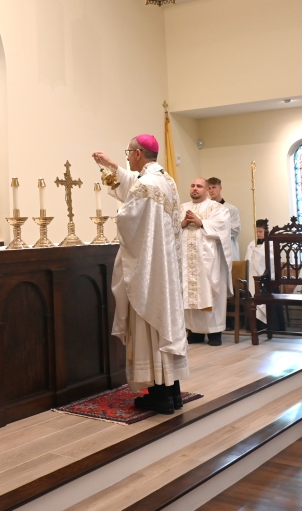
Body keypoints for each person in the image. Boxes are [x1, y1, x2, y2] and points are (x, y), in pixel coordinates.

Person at [92, 134, 187, 414]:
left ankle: (159, 397)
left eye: (128, 152)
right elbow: (135, 185)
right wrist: (112, 166)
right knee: (164, 326)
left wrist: (119, 214)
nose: (127, 157)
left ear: (137, 153)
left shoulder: (147, 185)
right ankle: (172, 393)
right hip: (164, 268)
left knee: (149, 324)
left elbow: (128, 217)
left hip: (148, 269)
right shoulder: (165, 180)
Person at [181, 178, 233, 346]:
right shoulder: (182, 208)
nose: (195, 188)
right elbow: (169, 229)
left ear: (207, 190)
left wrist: (201, 222)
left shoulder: (218, 208)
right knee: (189, 293)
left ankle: (214, 333)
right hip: (187, 261)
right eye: (192, 185)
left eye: (199, 186)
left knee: (210, 293)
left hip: (209, 261)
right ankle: (194, 332)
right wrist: (182, 223)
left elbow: (223, 229)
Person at [244, 219, 285, 331]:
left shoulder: (271, 244)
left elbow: (272, 260)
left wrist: (258, 253)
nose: (258, 234)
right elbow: (247, 260)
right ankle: (256, 326)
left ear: (266, 230)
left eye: (260, 231)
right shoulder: (252, 244)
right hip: (253, 277)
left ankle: (273, 326)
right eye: (256, 231)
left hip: (267, 279)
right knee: (254, 297)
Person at [206, 177, 241, 261]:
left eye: (214, 187)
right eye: (209, 188)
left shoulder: (231, 209)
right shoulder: (205, 209)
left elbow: (236, 230)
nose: (211, 190)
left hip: (227, 249)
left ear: (220, 188)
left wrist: (212, 229)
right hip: (211, 250)